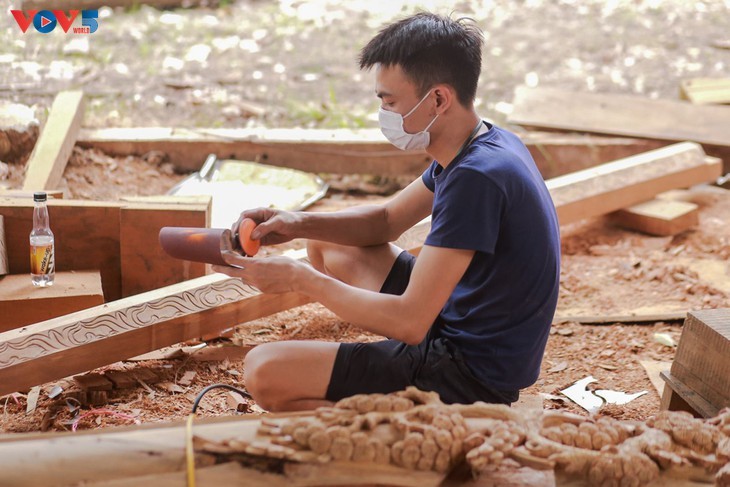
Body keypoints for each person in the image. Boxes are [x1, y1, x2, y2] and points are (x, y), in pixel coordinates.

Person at [213, 12, 560, 412]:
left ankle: (416, 419)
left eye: (390, 101)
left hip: (471, 371)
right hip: (462, 319)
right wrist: (295, 222)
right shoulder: (484, 143)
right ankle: (385, 375)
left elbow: (410, 323)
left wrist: (299, 279)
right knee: (329, 243)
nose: (385, 113)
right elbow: (385, 221)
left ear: (438, 99)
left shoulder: (477, 180)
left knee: (264, 370)